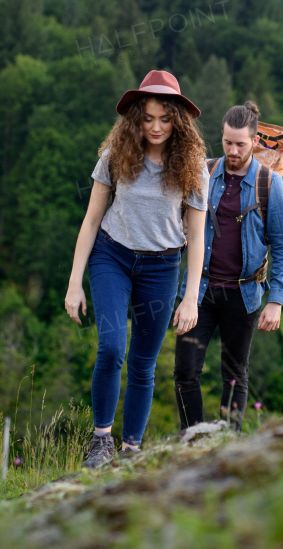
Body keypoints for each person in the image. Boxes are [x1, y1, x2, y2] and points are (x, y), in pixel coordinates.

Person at [64, 70, 209, 469]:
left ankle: (131, 450)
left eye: (165, 118)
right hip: (113, 256)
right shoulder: (114, 157)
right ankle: (101, 441)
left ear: (178, 119)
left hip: (162, 266)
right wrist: (74, 283)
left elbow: (196, 237)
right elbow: (91, 220)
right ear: (135, 119)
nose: (156, 127)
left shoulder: (195, 169)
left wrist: (191, 296)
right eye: (148, 118)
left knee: (144, 362)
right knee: (111, 348)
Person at [174, 100, 283, 431]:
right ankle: (193, 439)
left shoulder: (270, 185)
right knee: (186, 371)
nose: (232, 149)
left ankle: (228, 444)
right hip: (200, 290)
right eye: (227, 141)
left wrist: (276, 301)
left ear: (255, 142)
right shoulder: (205, 172)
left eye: (240, 144)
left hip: (244, 295)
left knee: (234, 374)